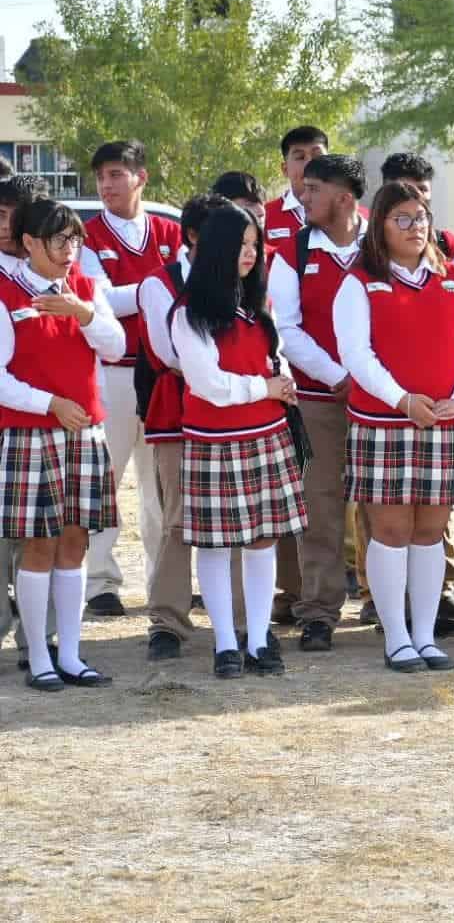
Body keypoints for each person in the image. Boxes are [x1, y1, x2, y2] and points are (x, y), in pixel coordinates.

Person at [334, 181, 454, 672]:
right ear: (379, 225)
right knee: (391, 528)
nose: (415, 227)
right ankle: (396, 635)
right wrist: (402, 400)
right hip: (384, 422)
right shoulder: (359, 281)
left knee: (430, 530)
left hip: (445, 421)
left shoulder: (453, 278)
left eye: (420, 217)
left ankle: (425, 634)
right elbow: (357, 354)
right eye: (402, 218)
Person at [170, 203, 306, 677]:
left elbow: (276, 354)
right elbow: (208, 382)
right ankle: (225, 642)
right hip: (215, 438)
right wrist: (263, 388)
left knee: (262, 540)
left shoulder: (258, 303)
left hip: (267, 434)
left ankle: (260, 637)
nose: (249, 255)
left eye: (254, 245)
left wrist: (282, 379)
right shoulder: (190, 311)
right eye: (241, 246)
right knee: (215, 543)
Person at [1, 198, 125, 690]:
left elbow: (115, 346)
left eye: (75, 239)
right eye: (58, 240)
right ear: (29, 242)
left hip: (84, 432)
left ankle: (71, 655)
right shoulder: (7, 293)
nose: (70, 249)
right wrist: (49, 402)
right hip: (32, 433)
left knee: (75, 541)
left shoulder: (86, 289)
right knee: (39, 545)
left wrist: (85, 313)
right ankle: (39, 659)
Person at [267, 154, 368, 650]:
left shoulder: (382, 242)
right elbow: (287, 328)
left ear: (344, 198)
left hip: (382, 401)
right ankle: (318, 611)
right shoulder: (293, 250)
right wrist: (339, 378)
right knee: (320, 504)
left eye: (312, 190)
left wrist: (370, 380)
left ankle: (392, 604)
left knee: (384, 502)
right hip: (316, 400)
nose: (301, 198)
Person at [78, 140, 182, 617]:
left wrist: (143, 292)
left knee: (160, 484)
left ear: (142, 177)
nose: (106, 184)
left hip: (163, 374)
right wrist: (159, 286)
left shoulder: (168, 230)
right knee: (104, 479)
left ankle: (166, 580)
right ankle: (100, 582)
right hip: (113, 373)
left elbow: (185, 289)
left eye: (117, 173)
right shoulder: (86, 234)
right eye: (101, 175)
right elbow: (103, 303)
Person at [139, 193, 240, 660]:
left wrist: (227, 375)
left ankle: (240, 623)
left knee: (242, 521)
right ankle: (168, 620)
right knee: (178, 520)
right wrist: (227, 373)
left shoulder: (246, 283)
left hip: (241, 418)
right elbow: (172, 357)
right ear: (196, 236)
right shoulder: (160, 284)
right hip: (180, 416)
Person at [0, 175, 53, 657]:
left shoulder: (61, 269)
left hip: (45, 426)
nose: (5, 225)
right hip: (13, 420)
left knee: (46, 536)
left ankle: (42, 639)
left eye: (13, 214)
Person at [263, 126, 330, 249]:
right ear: (285, 169)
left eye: (317, 156)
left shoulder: (353, 216)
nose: (310, 164)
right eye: (300, 157)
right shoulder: (263, 217)